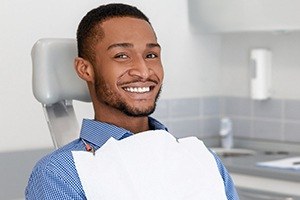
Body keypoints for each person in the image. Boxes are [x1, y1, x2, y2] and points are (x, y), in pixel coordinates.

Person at [25, 3, 239, 200]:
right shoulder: (59, 175)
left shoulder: (201, 159)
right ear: (85, 69)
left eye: (151, 55)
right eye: (121, 56)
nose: (143, 71)